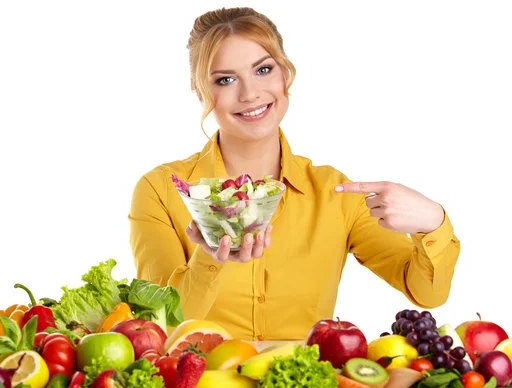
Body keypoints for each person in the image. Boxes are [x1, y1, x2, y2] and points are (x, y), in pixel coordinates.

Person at [128, 6, 460, 342]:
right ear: (201, 92)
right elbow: (158, 327)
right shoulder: (160, 191)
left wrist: (432, 222)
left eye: (263, 69)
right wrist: (208, 260)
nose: (249, 93)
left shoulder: (335, 193)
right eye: (225, 79)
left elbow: (427, 293)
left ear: (285, 73)